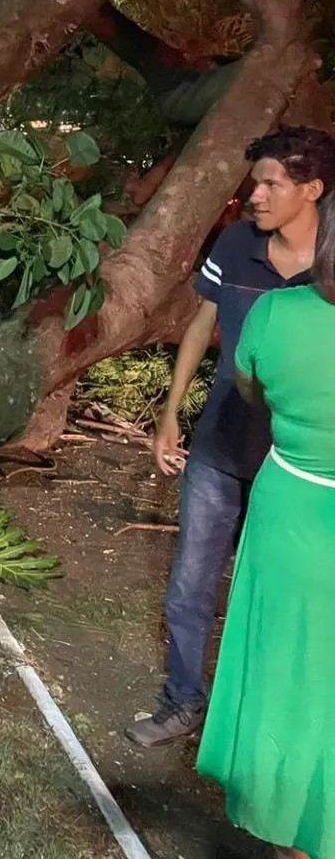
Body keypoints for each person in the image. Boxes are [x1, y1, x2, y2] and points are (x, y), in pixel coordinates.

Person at [127, 127, 335, 748]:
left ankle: (264, 723)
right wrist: (170, 413)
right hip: (220, 448)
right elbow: (201, 325)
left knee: (271, 596)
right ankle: (183, 702)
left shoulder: (332, 264)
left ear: (313, 190)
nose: (256, 194)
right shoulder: (238, 244)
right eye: (256, 181)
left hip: (292, 468)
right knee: (191, 584)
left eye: (272, 182)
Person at [196, 194, 335, 859]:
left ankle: (292, 833)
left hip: (294, 508)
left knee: (291, 669)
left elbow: (251, 388)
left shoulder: (278, 314)